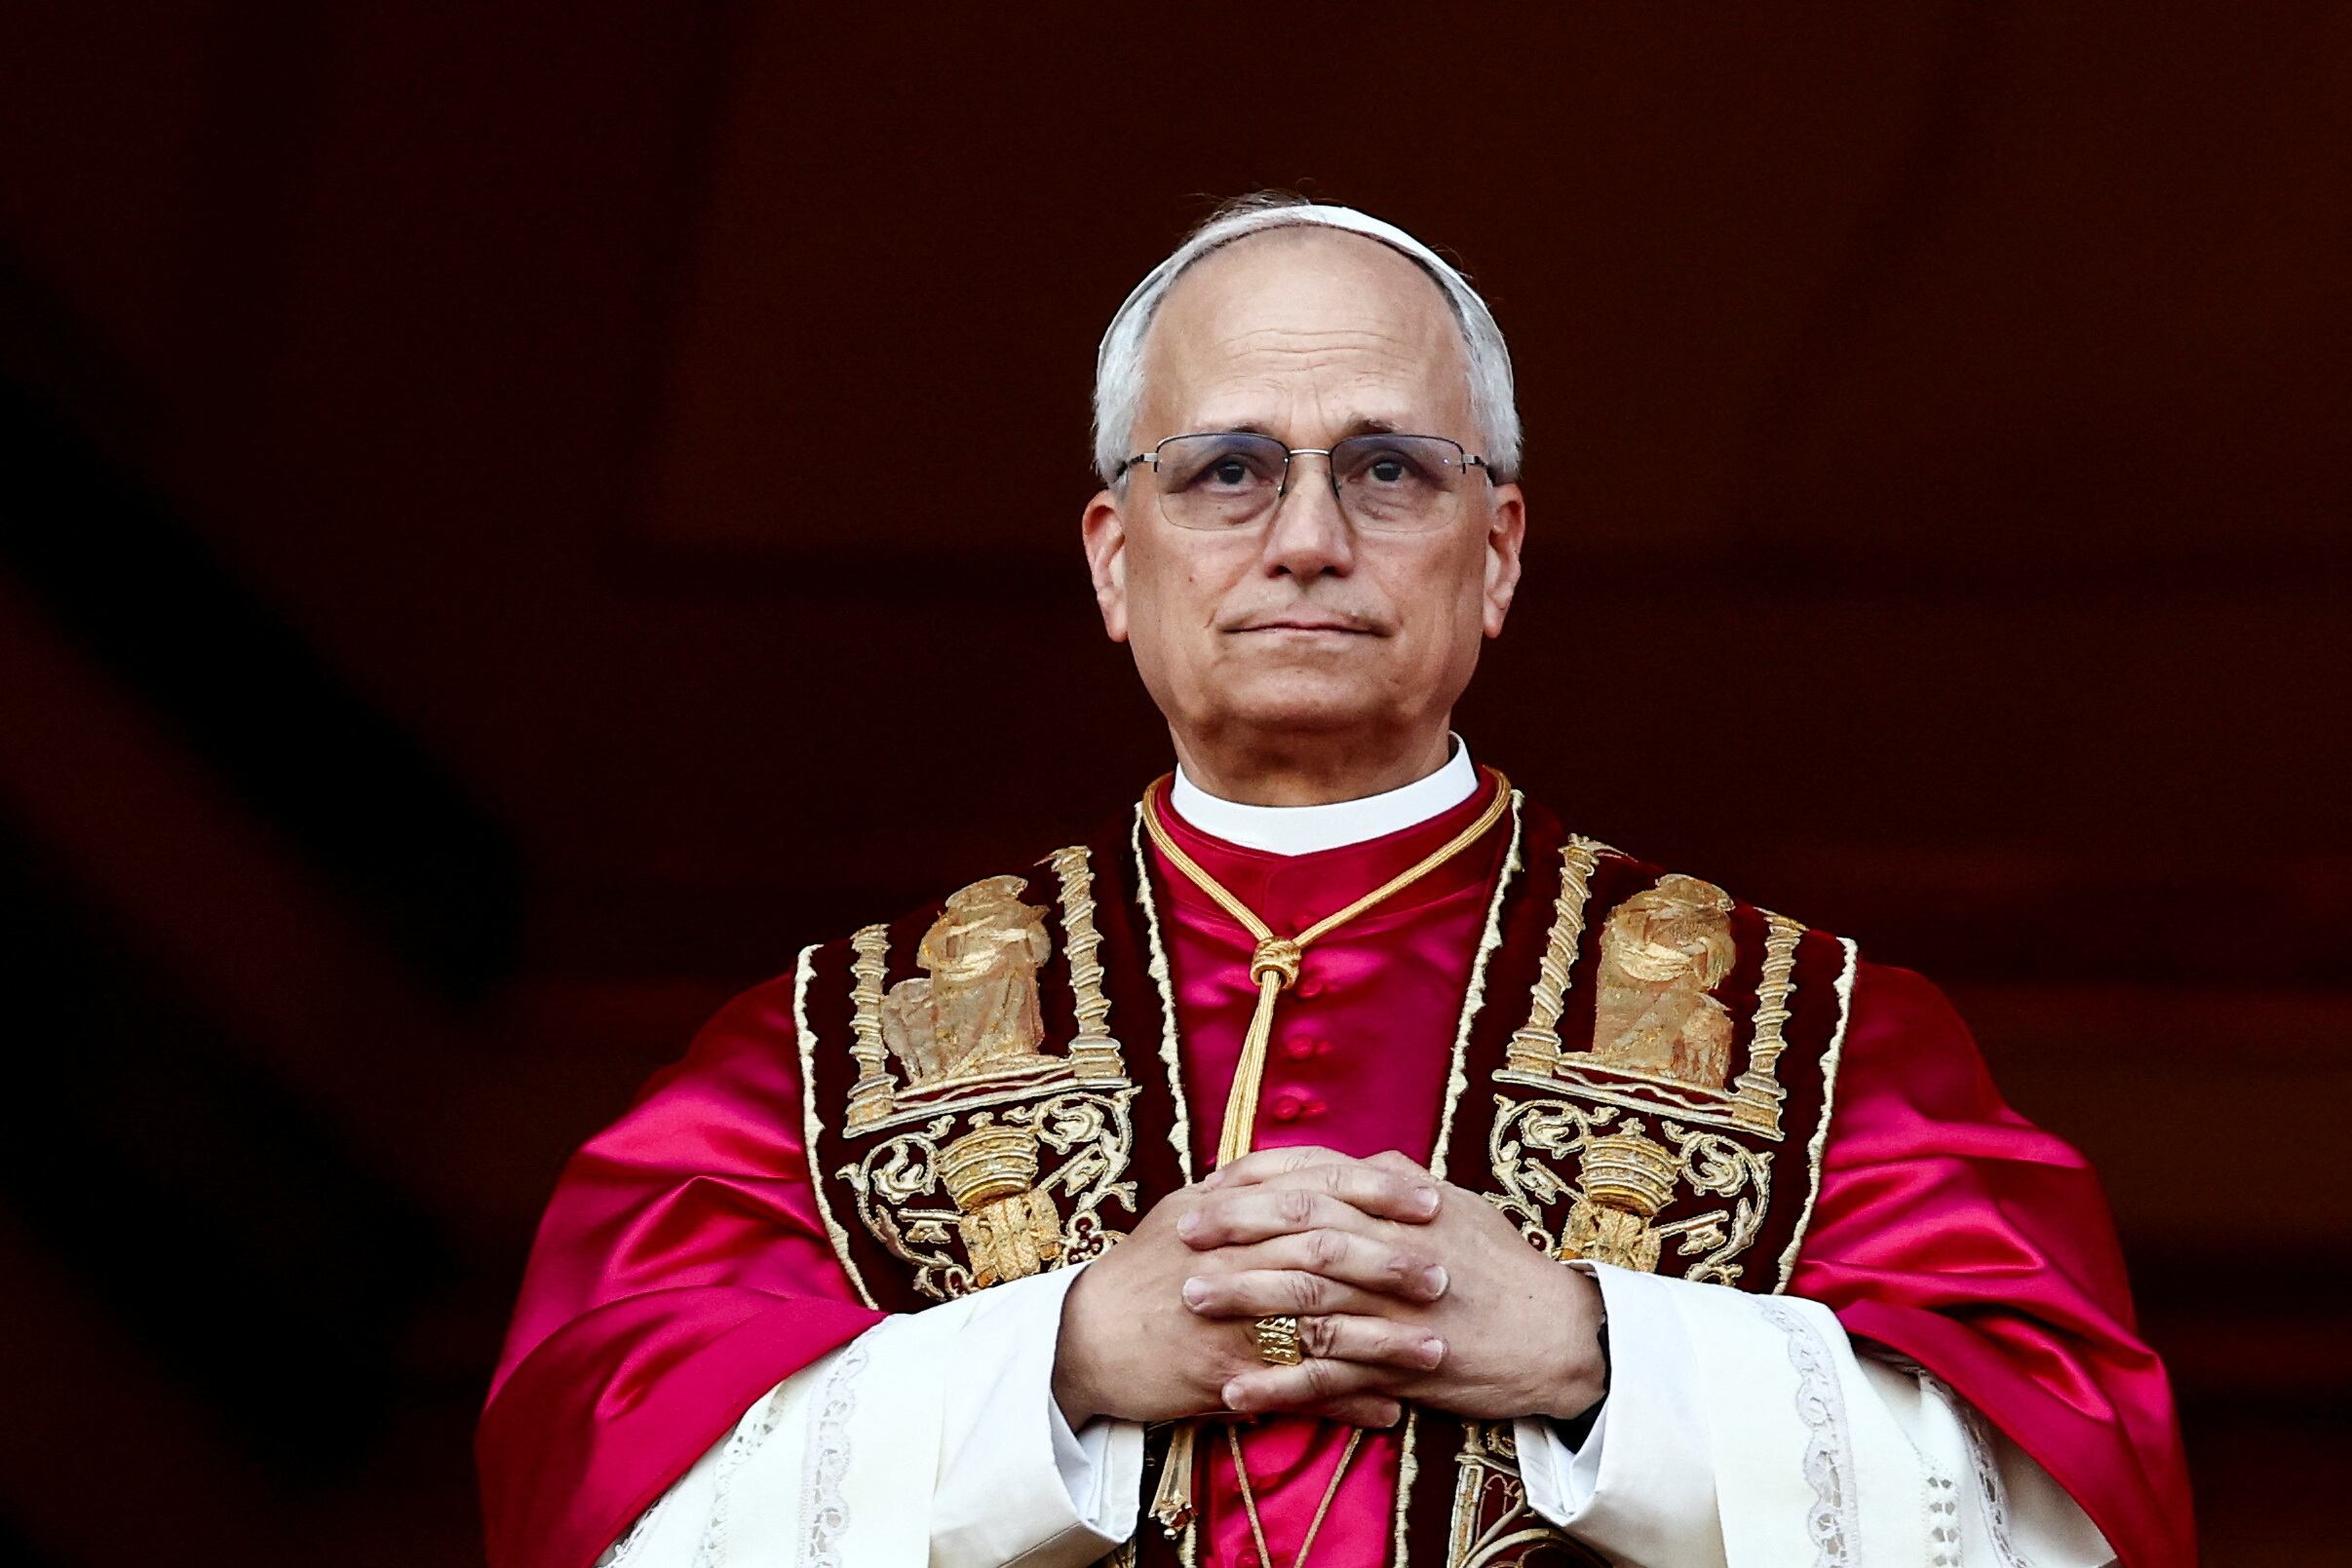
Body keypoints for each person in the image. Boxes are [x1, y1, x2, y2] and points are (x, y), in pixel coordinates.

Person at [479, 195, 2191, 1568]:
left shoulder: (1818, 1041)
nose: (1305, 535)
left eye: (1387, 467)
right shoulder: (814, 1059)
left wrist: (1599, 1353)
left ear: (1497, 551)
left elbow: (2073, 1509)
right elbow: (601, 1502)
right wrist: (1061, 1361)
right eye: (1226, 469)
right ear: (1111, 559)